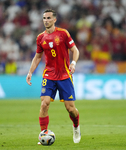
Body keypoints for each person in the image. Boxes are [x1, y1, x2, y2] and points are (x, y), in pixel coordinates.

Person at [26, 9, 81, 144]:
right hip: (49, 75)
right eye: (44, 18)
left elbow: (75, 50)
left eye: (49, 18)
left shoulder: (63, 33)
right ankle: (43, 134)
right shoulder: (40, 38)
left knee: (70, 109)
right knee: (44, 104)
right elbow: (38, 56)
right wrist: (30, 72)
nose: (46, 20)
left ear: (54, 20)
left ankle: (76, 127)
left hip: (64, 75)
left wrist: (73, 63)